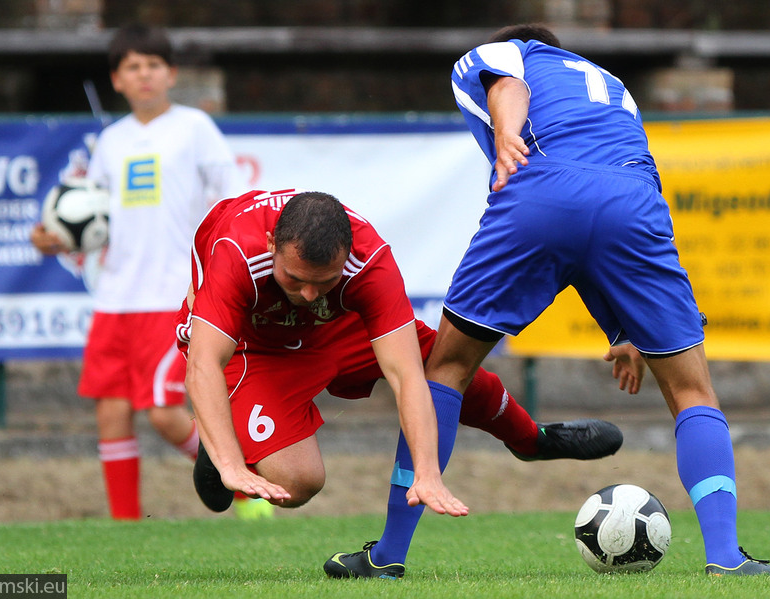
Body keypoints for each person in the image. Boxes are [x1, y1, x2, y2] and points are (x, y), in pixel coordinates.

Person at [356, 22, 770, 577]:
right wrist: (625, 328)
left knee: (446, 369)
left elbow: (507, 87)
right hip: (634, 202)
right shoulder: (613, 85)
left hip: (539, 188)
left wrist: (508, 135)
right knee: (691, 389)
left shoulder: (508, 52)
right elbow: (600, 211)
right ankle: (727, 558)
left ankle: (388, 556)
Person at [177, 189, 622, 548]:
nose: (310, 294)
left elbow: (409, 376)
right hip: (255, 343)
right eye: (295, 279)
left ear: (346, 255)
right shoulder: (236, 248)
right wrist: (233, 465)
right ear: (272, 244)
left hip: (337, 329)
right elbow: (203, 364)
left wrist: (427, 471)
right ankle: (220, 452)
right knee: (298, 483)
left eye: (325, 281)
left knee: (448, 367)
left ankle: (531, 440)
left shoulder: (370, 260)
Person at [30, 23, 241, 520]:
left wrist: (214, 272)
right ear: (117, 80)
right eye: (132, 67)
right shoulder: (110, 141)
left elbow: (232, 202)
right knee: (110, 411)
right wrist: (55, 237)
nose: (143, 75)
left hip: (173, 296)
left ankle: (242, 486)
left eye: (152, 65)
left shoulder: (195, 128)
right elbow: (91, 219)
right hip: (114, 297)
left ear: (170, 74)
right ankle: (125, 525)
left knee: (166, 414)